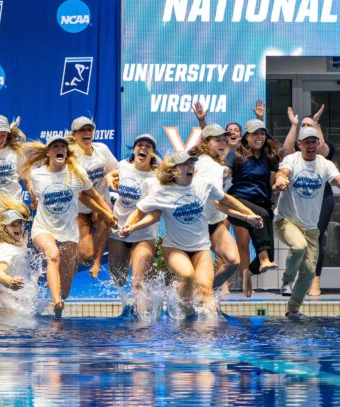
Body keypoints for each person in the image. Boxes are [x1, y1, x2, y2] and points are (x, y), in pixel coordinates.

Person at [120, 151, 263, 316]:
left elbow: (225, 200)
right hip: (174, 248)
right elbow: (140, 211)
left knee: (205, 291)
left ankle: (206, 331)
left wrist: (248, 215)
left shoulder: (203, 184)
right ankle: (183, 313)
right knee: (188, 275)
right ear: (174, 170)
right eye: (185, 164)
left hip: (201, 248)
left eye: (192, 163)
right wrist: (130, 226)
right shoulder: (162, 191)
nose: (191, 166)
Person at [20, 135, 116, 318]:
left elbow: (94, 194)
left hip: (68, 232)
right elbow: (31, 187)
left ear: (66, 152)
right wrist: (33, 197)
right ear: (48, 153)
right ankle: (57, 303)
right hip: (43, 228)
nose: (60, 149)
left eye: (63, 147)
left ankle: (60, 295)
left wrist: (107, 212)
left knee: (66, 287)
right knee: (53, 255)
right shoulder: (37, 174)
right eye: (55, 146)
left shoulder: (76, 172)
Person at [273, 126, 340, 318]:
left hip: (311, 227)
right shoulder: (292, 159)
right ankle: (287, 280)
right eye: (307, 142)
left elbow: (337, 180)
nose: (311, 145)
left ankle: (293, 309)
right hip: (286, 220)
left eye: (314, 142)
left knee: (310, 272)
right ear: (299, 144)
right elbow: (283, 173)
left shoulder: (324, 164)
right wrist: (281, 180)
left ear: (318, 144)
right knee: (298, 246)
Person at [194, 120, 252, 292]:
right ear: (206, 143)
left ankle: (204, 292)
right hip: (198, 226)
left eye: (223, 139)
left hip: (214, 222)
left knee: (233, 260)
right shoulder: (209, 166)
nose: (222, 142)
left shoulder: (213, 162)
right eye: (217, 140)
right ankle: (200, 293)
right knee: (193, 274)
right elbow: (219, 202)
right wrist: (247, 216)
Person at [282, 105, 332, 297]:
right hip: (299, 202)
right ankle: (294, 279)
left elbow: (324, 150)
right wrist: (294, 125)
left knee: (315, 239)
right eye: (303, 125)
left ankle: (314, 280)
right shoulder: (296, 153)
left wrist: (316, 123)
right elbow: (285, 152)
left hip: (322, 199)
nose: (306, 126)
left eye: (309, 125)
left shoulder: (320, 152)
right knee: (298, 242)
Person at [106, 133, 159, 311]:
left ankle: (141, 325)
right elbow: (112, 173)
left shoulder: (157, 176)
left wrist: (134, 226)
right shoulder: (123, 165)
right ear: (134, 149)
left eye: (148, 146)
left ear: (153, 153)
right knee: (118, 279)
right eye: (140, 145)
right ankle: (128, 309)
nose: (143, 148)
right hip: (119, 230)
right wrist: (108, 178)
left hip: (144, 233)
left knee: (139, 282)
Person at [229, 116, 280, 297]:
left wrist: (280, 181)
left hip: (262, 204)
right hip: (238, 201)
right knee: (261, 216)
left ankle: (248, 272)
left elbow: (274, 179)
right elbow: (224, 171)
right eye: (254, 134)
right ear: (247, 137)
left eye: (262, 133)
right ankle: (263, 258)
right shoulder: (236, 154)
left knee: (271, 255)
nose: (259, 137)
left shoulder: (269, 157)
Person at [69, 116, 119, 278]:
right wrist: (104, 210)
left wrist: (110, 176)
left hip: (101, 201)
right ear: (74, 135)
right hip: (80, 208)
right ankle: (75, 254)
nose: (86, 133)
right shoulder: (71, 158)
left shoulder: (102, 149)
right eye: (82, 130)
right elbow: (82, 194)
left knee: (105, 219)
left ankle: (97, 263)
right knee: (85, 256)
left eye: (89, 129)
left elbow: (116, 169)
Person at [0, 195, 32, 310]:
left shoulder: (18, 243)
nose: (18, 227)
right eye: (13, 224)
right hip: (0, 297)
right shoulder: (6, 249)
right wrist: (10, 282)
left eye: (20, 223)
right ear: (5, 229)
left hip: (2, 294)